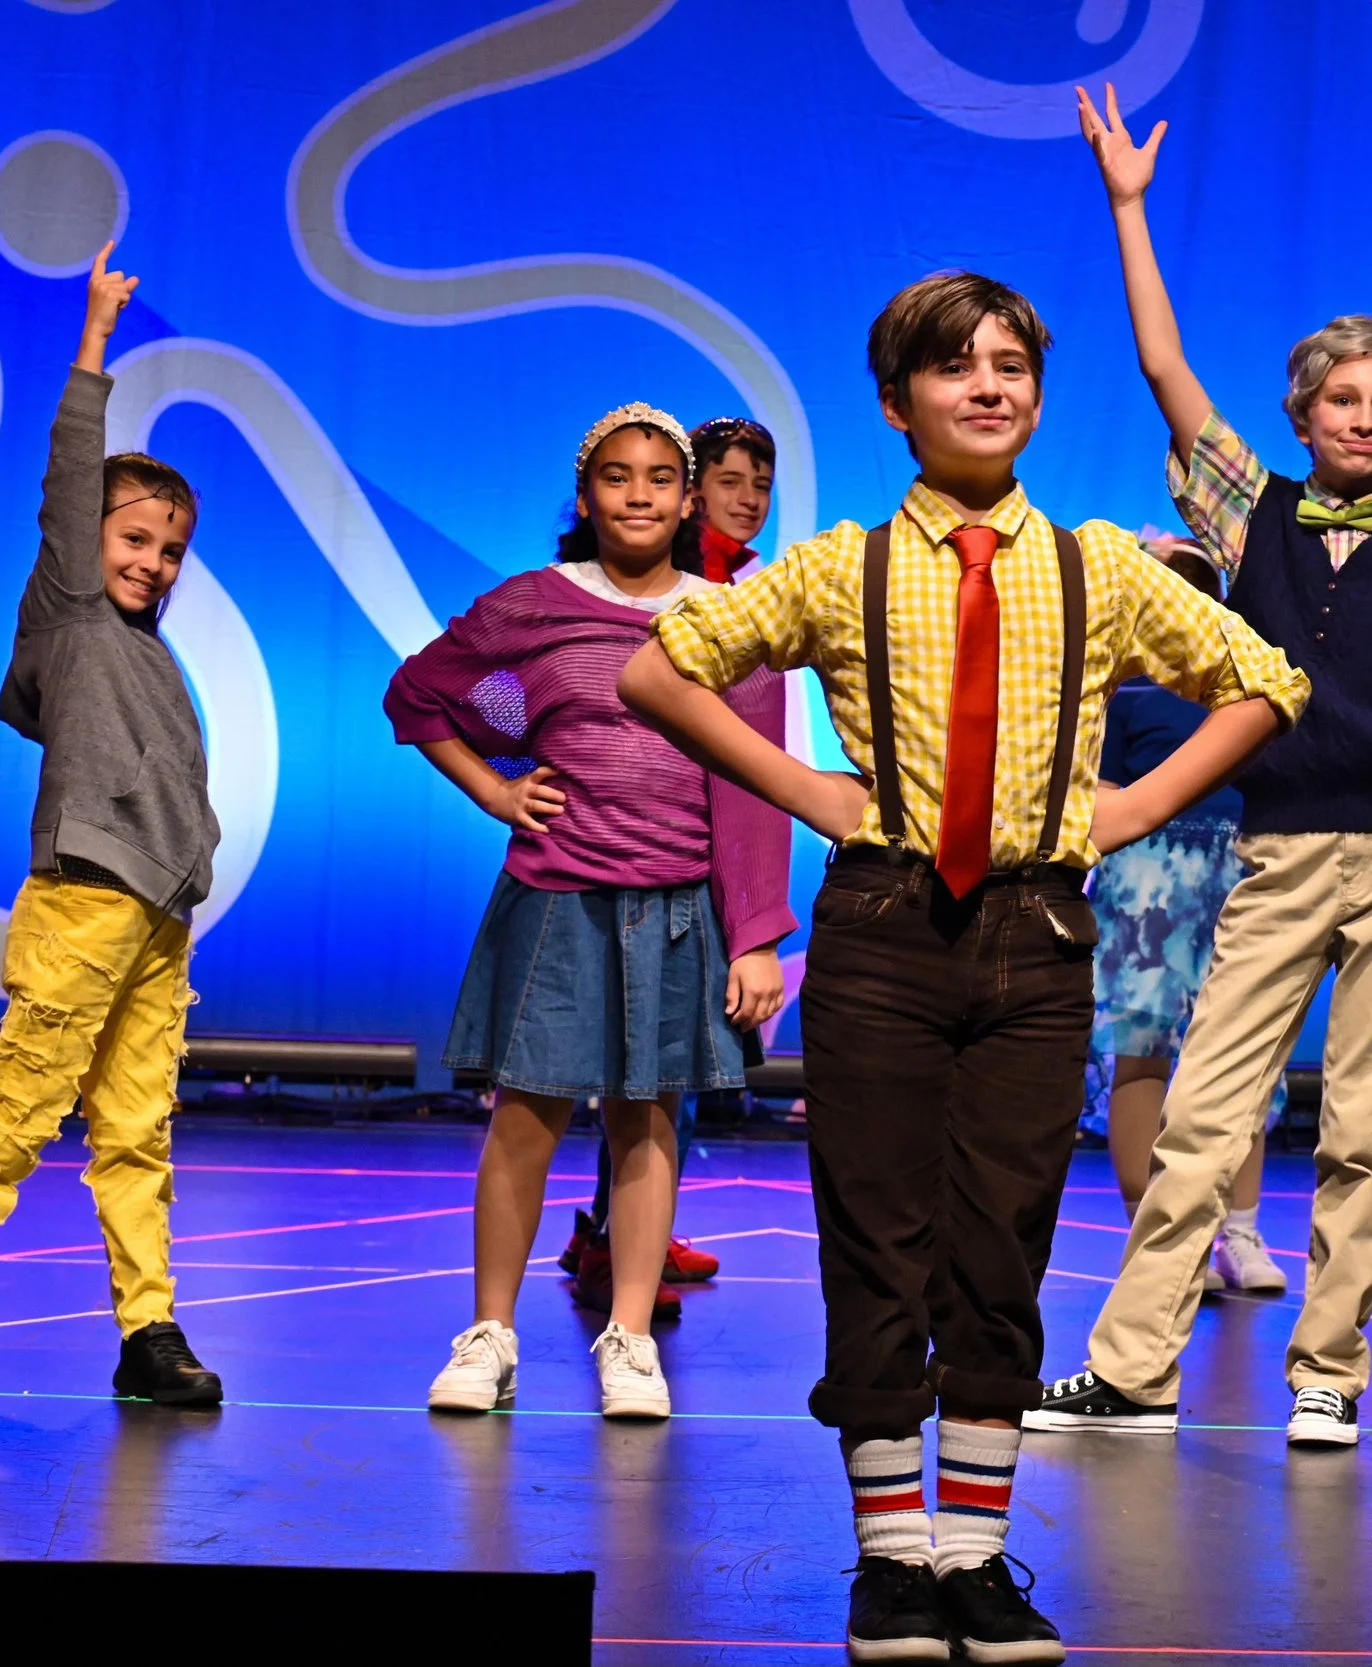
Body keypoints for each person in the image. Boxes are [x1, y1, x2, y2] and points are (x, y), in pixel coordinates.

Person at [620, 272, 1306, 1664]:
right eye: (956, 368)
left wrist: (1131, 806)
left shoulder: (1099, 564)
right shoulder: (840, 565)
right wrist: (809, 788)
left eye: (1011, 366)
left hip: (1039, 934)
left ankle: (979, 1553)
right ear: (897, 403)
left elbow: (1269, 681)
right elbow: (661, 671)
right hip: (883, 929)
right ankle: (890, 1555)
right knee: (877, 1235)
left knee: (1002, 1242)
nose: (988, 386)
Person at [1028, 84, 1372, 1450]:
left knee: (1366, 1133)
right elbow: (1165, 370)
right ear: (1306, 407)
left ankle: (1328, 1371)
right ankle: (1134, 1370)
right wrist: (1129, 208)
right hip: (1273, 852)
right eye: (1345, 396)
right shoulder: (1244, 506)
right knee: (1205, 1118)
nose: (1367, 416)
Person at [0, 246, 224, 1410]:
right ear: (89, 542)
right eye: (132, 539)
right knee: (14, 1109)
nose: (150, 561)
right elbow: (73, 474)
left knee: (137, 1128)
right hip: (85, 895)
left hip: (157, 911)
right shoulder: (73, 607)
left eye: (169, 550)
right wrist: (94, 340)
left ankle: (148, 1326)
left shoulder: (146, 653)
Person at [391, 402, 789, 1423]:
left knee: (646, 1120)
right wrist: (497, 786)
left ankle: (630, 1335)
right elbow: (424, 693)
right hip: (559, 890)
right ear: (586, 495)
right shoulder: (536, 603)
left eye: (662, 476)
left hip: (676, 904)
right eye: (619, 475)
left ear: (689, 496)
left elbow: (751, 787)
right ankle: (490, 1333)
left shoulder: (727, 616)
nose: (642, 492)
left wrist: (754, 936)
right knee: (526, 1115)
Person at [561, 415, 790, 1314]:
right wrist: (511, 777)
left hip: (706, 844)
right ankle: (613, 1241)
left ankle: (628, 1233)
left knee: (668, 1068)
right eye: (730, 481)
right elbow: (502, 690)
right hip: (627, 851)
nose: (746, 499)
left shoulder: (743, 589)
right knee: (617, 1070)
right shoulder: (654, 585)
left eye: (759, 487)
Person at [1089, 529, 1285, 1295]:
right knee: (1140, 1049)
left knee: (1245, 1049)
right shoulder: (1120, 684)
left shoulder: (1251, 681)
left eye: (1198, 581)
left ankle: (1238, 1228)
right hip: (1148, 877)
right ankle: (1159, 1235)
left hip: (1243, 871)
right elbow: (1092, 787)